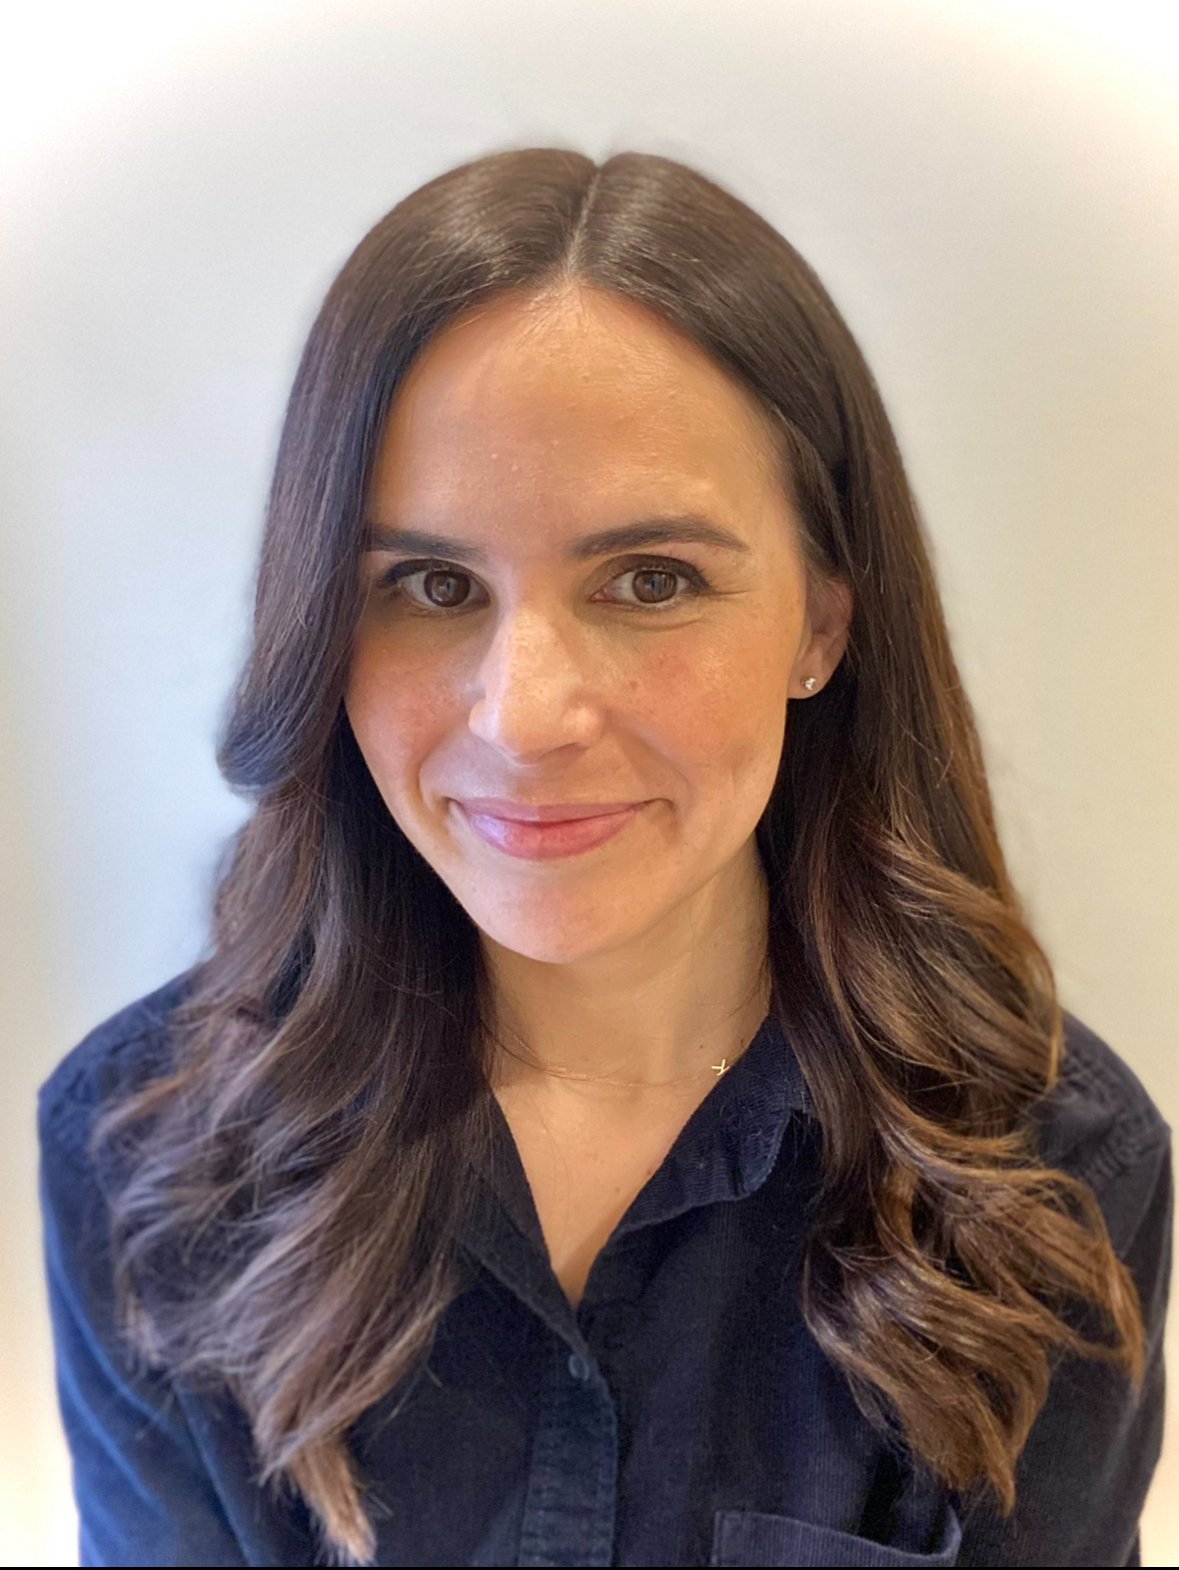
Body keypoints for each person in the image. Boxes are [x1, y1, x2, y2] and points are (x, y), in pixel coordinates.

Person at [38, 146, 1171, 1569]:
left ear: (823, 622)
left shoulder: (1049, 1181)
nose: (524, 717)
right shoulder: (146, 1163)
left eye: (651, 580)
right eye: (432, 585)